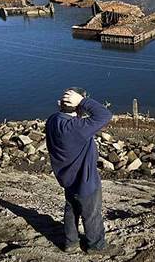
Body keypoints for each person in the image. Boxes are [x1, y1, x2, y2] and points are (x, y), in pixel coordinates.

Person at [45, 87, 112, 254]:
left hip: (67, 176)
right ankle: (96, 246)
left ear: (59, 104)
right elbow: (105, 115)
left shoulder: (53, 120)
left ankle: (70, 243)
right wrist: (82, 101)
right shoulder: (77, 127)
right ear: (78, 106)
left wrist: (78, 104)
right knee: (92, 214)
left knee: (71, 209)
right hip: (85, 179)